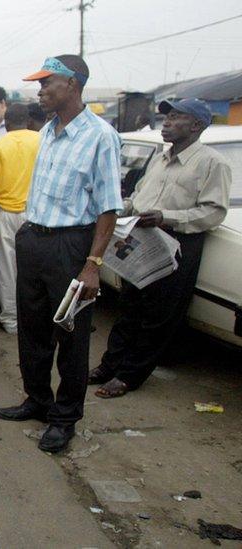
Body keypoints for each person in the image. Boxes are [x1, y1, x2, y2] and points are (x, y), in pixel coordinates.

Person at [0, 55, 123, 454]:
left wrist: (93, 264)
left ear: (72, 83)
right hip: (34, 239)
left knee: (70, 334)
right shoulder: (47, 130)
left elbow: (108, 207)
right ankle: (37, 399)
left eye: (47, 83)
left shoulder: (101, 135)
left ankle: (64, 417)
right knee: (32, 328)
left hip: (72, 245)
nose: (40, 90)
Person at [91, 99, 231, 398]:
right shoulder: (161, 158)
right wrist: (118, 210)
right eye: (166, 116)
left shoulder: (211, 162)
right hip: (142, 241)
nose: (166, 122)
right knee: (128, 307)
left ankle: (130, 375)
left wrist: (168, 218)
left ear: (196, 126)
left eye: (176, 117)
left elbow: (214, 212)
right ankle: (110, 364)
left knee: (158, 316)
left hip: (176, 245)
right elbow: (139, 197)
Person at [0, 103, 40, 335]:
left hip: (5, 215)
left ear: (6, 123)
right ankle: (36, 318)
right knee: (35, 271)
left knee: (7, 270)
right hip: (36, 215)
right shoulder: (42, 140)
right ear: (28, 120)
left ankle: (11, 321)